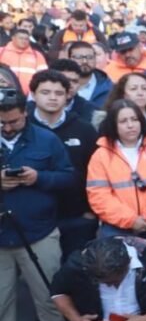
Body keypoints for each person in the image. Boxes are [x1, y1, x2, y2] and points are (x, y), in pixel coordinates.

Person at [0, 91, 78, 321]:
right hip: (1, 236)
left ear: (25, 113)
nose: (8, 128)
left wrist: (39, 177)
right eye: (2, 123)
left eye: (13, 121)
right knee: (1, 300)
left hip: (39, 232)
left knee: (49, 296)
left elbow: (69, 177)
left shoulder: (46, 139)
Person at [86, 99, 146, 272]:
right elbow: (99, 196)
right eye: (123, 121)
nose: (130, 125)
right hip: (116, 229)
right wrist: (131, 220)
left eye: (134, 119)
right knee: (120, 276)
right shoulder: (100, 155)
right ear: (113, 125)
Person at [26, 70, 99, 257]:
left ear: (68, 95)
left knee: (77, 269)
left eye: (59, 93)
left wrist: (90, 210)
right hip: (33, 219)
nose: (52, 97)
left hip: (77, 216)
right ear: (33, 94)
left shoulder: (84, 129)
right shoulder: (22, 128)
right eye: (45, 92)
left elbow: (97, 172)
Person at [0, 26, 48, 92]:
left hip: (29, 93)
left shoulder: (37, 55)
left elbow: (43, 75)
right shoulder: (1, 52)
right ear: (13, 38)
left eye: (26, 39)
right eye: (21, 38)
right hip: (4, 92)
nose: (24, 41)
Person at [68, 40, 113, 109]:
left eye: (90, 57)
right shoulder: (59, 86)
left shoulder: (109, 88)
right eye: (78, 57)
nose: (84, 61)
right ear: (69, 59)